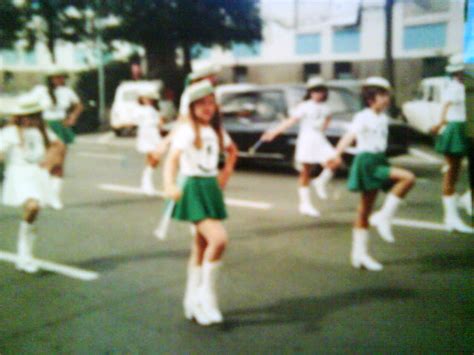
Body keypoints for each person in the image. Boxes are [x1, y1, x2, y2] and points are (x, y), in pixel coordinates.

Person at [163, 80, 237, 326]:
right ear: (192, 107)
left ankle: (191, 299)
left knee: (201, 244)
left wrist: (225, 173)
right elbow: (172, 159)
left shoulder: (216, 131)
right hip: (193, 188)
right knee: (219, 240)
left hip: (209, 188)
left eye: (211, 102)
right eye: (201, 103)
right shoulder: (187, 130)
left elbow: (232, 151)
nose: (207, 107)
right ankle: (207, 298)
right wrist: (169, 184)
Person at [329, 77, 416, 271]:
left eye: (387, 95)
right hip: (367, 161)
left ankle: (359, 255)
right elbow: (349, 136)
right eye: (382, 95)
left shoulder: (382, 118)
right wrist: (336, 154)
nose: (386, 99)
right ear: (370, 99)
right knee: (408, 178)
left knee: (364, 210)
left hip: (378, 159)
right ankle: (383, 218)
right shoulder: (363, 116)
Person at [261, 77, 342, 217]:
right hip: (307, 139)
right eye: (315, 91)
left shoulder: (326, 108)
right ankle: (305, 204)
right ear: (310, 92)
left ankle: (320, 182)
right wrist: (274, 133)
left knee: (336, 161)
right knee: (306, 171)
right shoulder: (305, 106)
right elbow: (290, 121)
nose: (318, 94)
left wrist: (323, 127)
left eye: (321, 90)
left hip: (319, 139)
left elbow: (328, 119)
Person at [0, 96, 64, 273]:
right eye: (27, 116)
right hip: (18, 174)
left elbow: (58, 145)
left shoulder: (41, 131)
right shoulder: (9, 132)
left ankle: (24, 255)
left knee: (33, 212)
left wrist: (50, 161)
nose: (31, 120)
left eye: (35, 116)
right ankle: (24, 255)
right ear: (19, 117)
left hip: (37, 174)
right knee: (33, 207)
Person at [430, 54, 473, 233]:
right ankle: (451, 217)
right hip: (455, 129)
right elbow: (445, 107)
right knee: (452, 173)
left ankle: (466, 200)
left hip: (466, 127)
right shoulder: (454, 87)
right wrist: (440, 124)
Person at [32, 67, 83, 209]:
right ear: (50, 79)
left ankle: (54, 196)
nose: (60, 80)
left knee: (59, 163)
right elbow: (31, 106)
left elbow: (79, 105)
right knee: (47, 162)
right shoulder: (40, 91)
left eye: (62, 77)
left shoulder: (67, 91)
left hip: (61, 126)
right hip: (45, 127)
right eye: (57, 77)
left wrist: (72, 117)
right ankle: (43, 195)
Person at [135, 88, 164, 195]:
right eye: (146, 98)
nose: (148, 100)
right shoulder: (140, 109)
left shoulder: (153, 109)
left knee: (155, 158)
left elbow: (160, 123)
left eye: (150, 98)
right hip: (146, 134)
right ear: (141, 99)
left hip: (154, 133)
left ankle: (146, 180)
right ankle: (146, 181)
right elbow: (136, 120)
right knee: (154, 157)